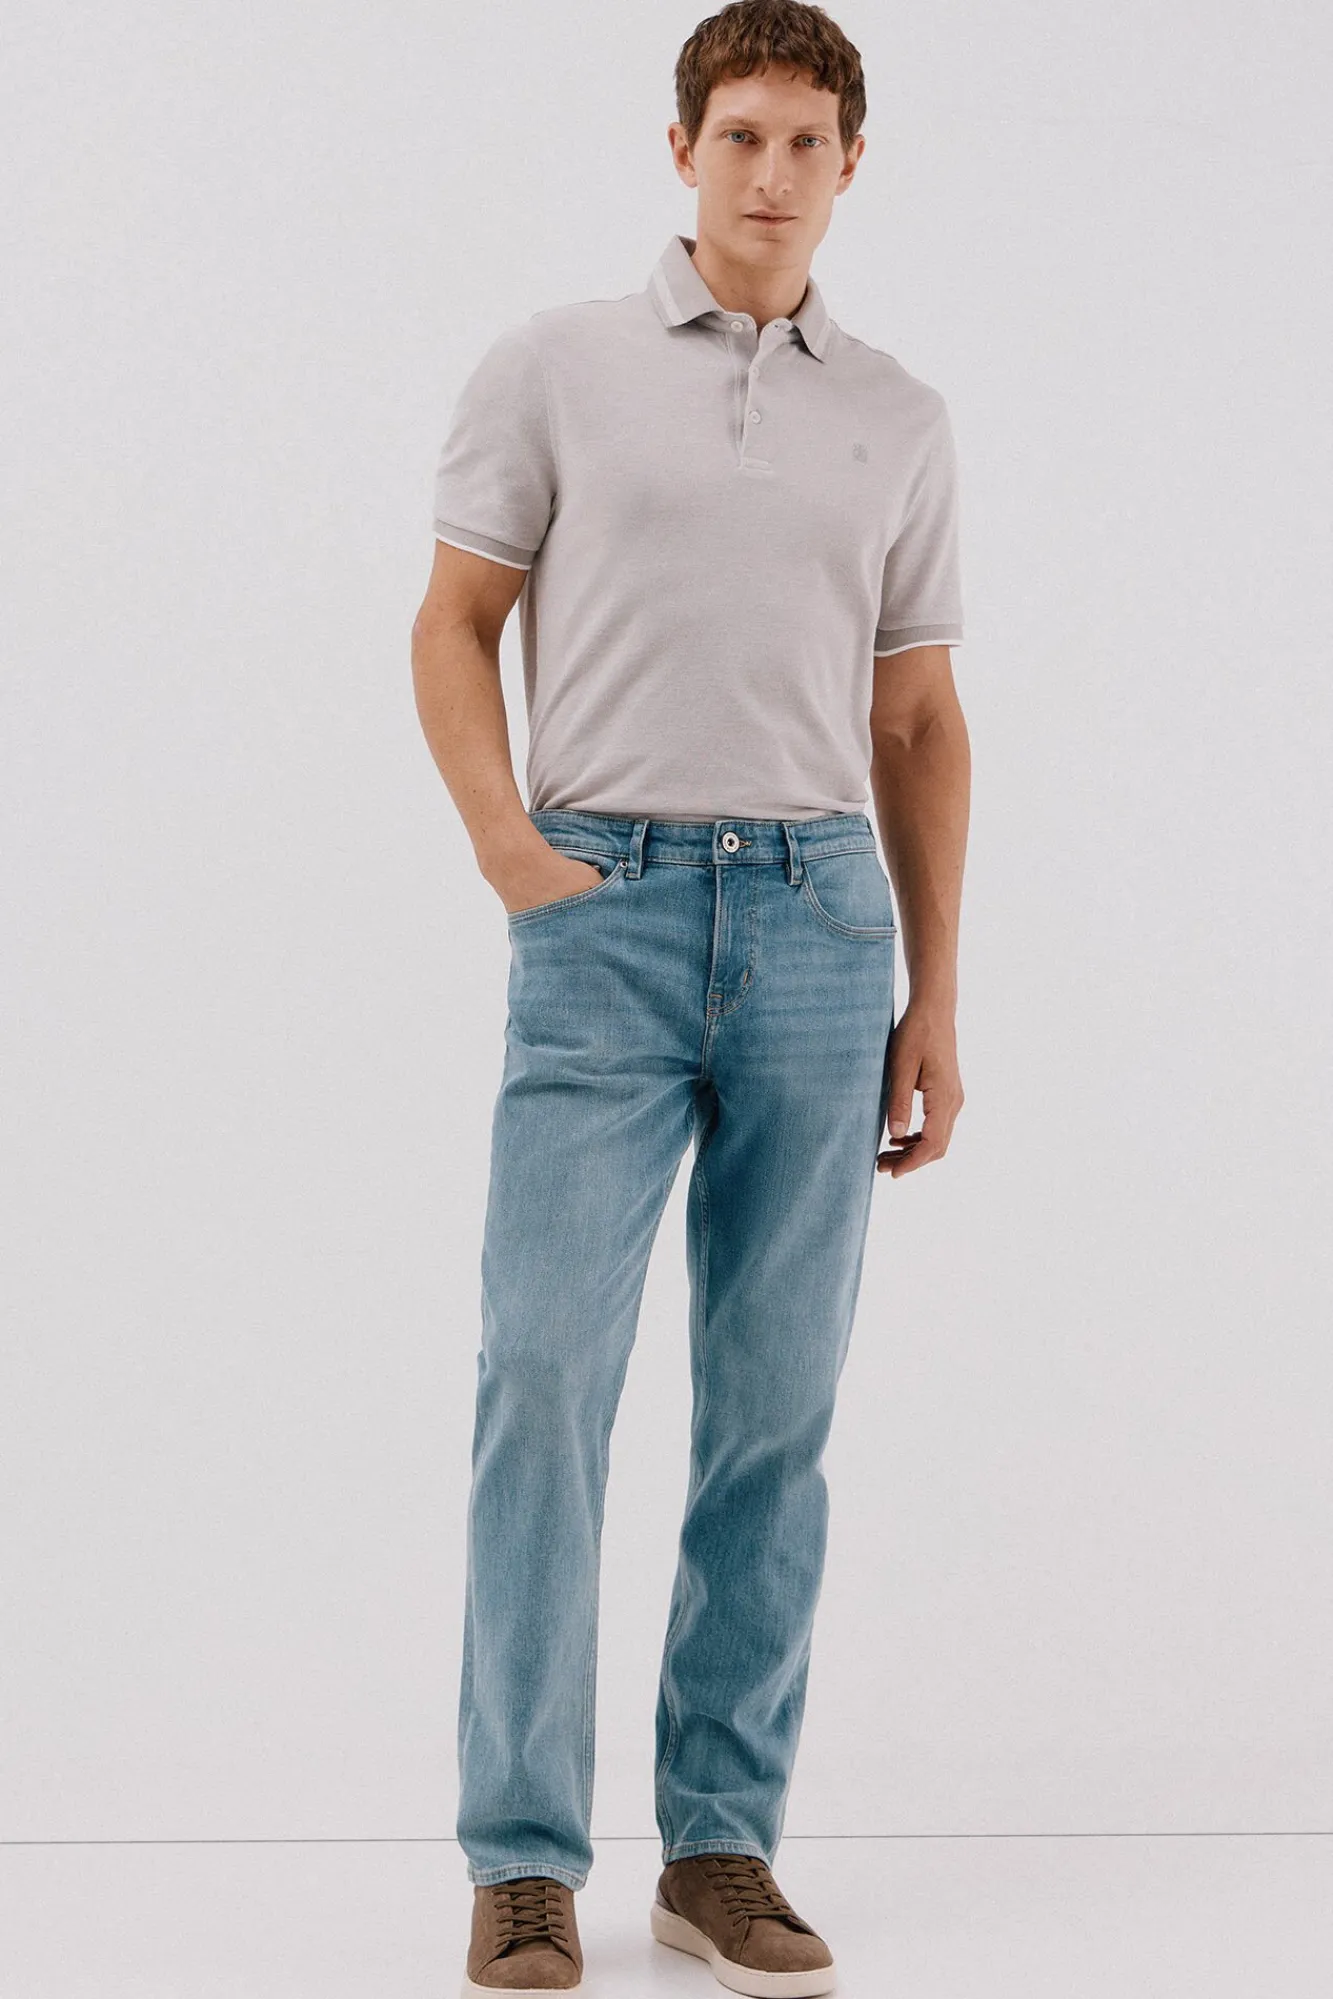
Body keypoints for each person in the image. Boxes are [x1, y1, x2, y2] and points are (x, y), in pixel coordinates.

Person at [410, 4, 970, 1991]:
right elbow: (455, 621)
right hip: (606, 910)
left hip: (822, 926)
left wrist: (936, 991)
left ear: (851, 165)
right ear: (682, 150)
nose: (772, 173)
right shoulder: (555, 367)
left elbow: (919, 718)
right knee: (543, 1380)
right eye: (741, 134)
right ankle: (522, 1856)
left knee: (774, 1410)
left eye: (810, 140)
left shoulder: (897, 414)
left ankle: (720, 1846)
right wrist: (512, 852)